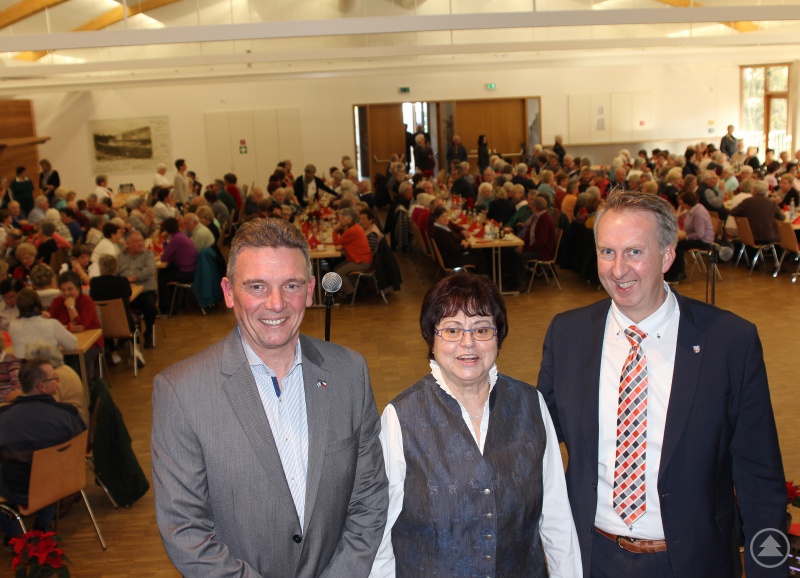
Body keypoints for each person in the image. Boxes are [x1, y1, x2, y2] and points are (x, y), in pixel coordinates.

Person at [536, 190, 786, 577]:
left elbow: (759, 475)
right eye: (607, 252)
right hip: (590, 557)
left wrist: (769, 569)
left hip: (692, 561)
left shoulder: (730, 342)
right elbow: (537, 440)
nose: (618, 270)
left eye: (634, 252)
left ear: (668, 255)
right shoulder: (567, 335)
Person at [151, 218, 388, 576]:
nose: (276, 304)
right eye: (257, 286)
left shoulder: (350, 373)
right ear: (229, 292)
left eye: (290, 285)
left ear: (309, 291)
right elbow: (185, 530)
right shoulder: (180, 392)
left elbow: (369, 498)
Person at [371, 272, 581, 577]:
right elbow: (379, 533)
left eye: (482, 329)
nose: (467, 343)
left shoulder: (530, 404)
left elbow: (556, 516)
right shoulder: (400, 417)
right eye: (452, 330)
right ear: (432, 337)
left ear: (498, 336)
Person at [0, 358, 85, 541]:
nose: (58, 381)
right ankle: (42, 525)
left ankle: (16, 536)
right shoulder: (67, 414)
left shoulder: (4, 417)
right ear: (41, 386)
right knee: (45, 473)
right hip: (62, 482)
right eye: (54, 378)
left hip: (19, 487)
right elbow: (83, 444)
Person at [25, 340, 89, 427]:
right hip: (75, 420)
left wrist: (21, 397)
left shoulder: (53, 377)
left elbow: (47, 407)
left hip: (73, 426)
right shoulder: (64, 368)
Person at [9, 288, 77, 366]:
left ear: (18, 307)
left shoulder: (13, 325)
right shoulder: (52, 324)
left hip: (23, 372)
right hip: (50, 371)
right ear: (39, 303)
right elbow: (72, 345)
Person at [117, 231, 158, 348]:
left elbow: (150, 270)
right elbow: (115, 273)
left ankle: (148, 332)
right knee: (118, 308)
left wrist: (130, 279)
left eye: (141, 240)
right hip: (126, 293)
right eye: (137, 241)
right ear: (128, 243)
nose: (140, 243)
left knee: (150, 308)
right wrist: (123, 283)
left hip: (145, 291)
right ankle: (127, 336)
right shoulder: (120, 257)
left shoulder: (148, 255)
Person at [157, 217, 197, 314]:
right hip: (191, 269)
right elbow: (168, 254)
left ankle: (167, 305)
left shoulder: (176, 239)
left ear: (166, 230)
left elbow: (164, 257)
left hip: (187, 272)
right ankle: (171, 301)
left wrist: (165, 240)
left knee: (160, 277)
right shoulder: (180, 236)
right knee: (163, 272)